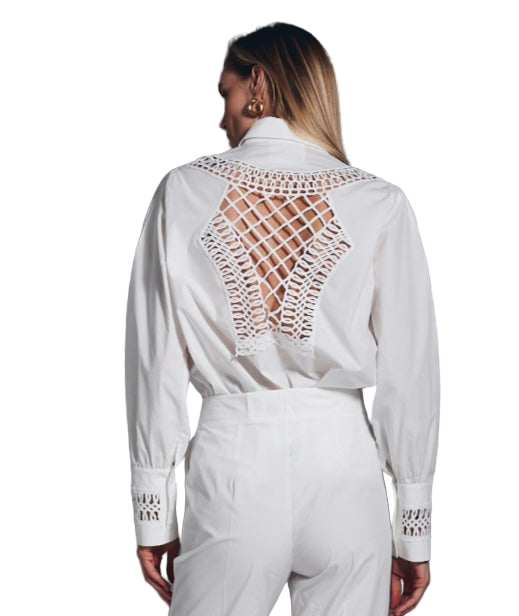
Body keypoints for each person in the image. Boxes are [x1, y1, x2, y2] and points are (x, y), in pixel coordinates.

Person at [124, 21, 440, 616]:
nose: (222, 118)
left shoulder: (182, 192)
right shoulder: (379, 202)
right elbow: (410, 374)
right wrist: (413, 526)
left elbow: (154, 363)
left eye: (226, 93)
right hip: (346, 476)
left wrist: (153, 509)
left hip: (232, 471)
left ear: (258, 84)